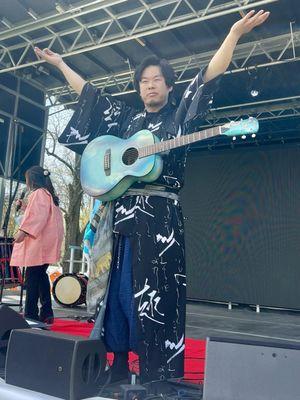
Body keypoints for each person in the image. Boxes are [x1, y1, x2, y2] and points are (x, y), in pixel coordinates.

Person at [34, 10, 269, 382]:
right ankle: (115, 361)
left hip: (160, 220)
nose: (149, 86)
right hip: (122, 216)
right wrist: (61, 63)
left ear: (169, 86)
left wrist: (234, 34)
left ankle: (155, 373)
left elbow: (207, 77)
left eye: (157, 80)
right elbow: (90, 96)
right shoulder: (127, 121)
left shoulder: (177, 118)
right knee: (115, 292)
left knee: (157, 297)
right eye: (144, 81)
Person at [10, 166, 64, 323]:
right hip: (47, 243)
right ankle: (47, 312)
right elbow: (42, 214)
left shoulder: (38, 194)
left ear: (31, 180)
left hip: (39, 243)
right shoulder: (49, 195)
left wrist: (23, 232)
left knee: (32, 278)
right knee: (40, 276)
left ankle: (30, 314)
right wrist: (26, 206)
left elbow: (37, 217)